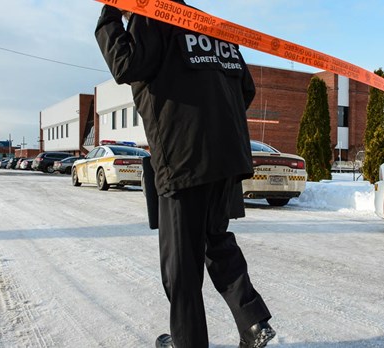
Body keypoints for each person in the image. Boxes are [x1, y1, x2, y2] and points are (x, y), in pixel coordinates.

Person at [95, 2, 276, 348]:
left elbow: (125, 64)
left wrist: (109, 14)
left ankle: (187, 341)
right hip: (228, 156)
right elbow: (246, 90)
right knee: (217, 242)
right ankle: (253, 323)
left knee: (180, 263)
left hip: (184, 157)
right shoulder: (213, 26)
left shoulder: (155, 18)